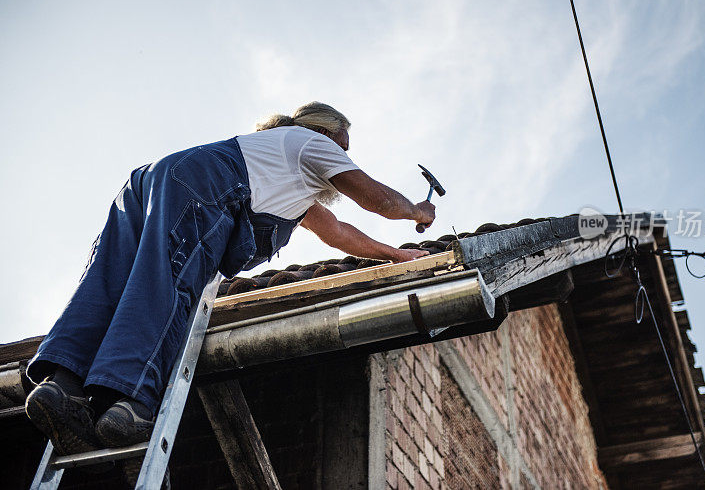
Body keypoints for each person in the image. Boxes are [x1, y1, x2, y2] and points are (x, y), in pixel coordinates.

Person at [24, 102, 435, 480]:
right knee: (168, 286)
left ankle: (61, 387)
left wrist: (394, 255)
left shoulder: (281, 165)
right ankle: (128, 404)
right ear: (324, 132)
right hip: (203, 186)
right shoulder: (310, 143)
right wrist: (418, 210)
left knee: (109, 280)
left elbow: (338, 232)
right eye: (343, 145)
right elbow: (376, 198)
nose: (346, 156)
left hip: (148, 181)